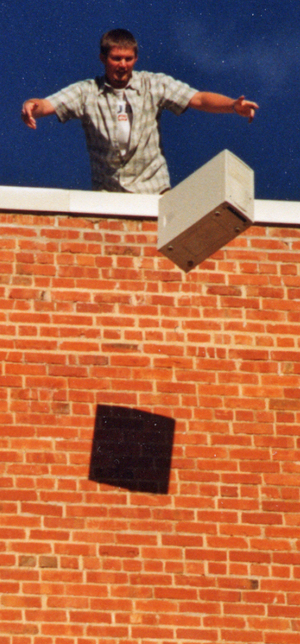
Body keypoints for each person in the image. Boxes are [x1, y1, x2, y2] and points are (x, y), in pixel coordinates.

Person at [21, 28, 258, 194]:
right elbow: (49, 103)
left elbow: (197, 98)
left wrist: (232, 106)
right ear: (103, 58)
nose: (123, 65)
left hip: (153, 189)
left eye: (128, 58)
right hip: (109, 193)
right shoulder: (86, 92)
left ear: (135, 59)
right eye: (116, 58)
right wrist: (33, 106)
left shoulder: (153, 84)